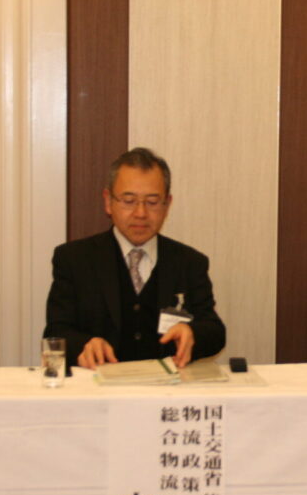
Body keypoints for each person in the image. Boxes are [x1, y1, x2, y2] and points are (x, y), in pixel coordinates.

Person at [45, 148, 225, 369]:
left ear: (167, 205)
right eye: (129, 200)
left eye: (152, 202)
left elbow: (215, 331)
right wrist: (84, 345)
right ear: (108, 201)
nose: (141, 213)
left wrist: (192, 332)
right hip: (98, 383)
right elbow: (56, 331)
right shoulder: (74, 259)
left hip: (169, 385)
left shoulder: (189, 262)